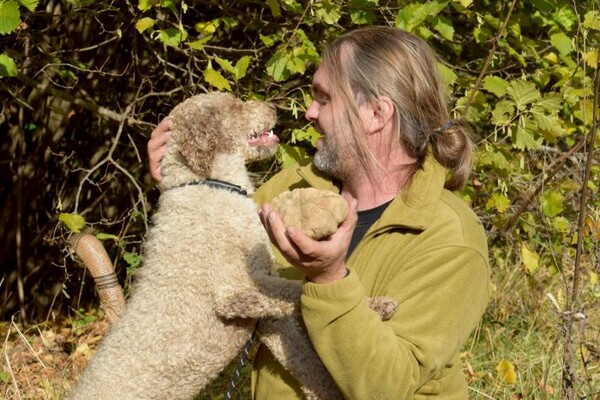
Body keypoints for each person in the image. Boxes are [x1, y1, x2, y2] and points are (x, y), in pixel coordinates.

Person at [148, 26, 489, 399]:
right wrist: (188, 183)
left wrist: (329, 279)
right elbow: (202, 276)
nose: (309, 113)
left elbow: (389, 385)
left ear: (376, 113)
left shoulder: (448, 238)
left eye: (324, 99)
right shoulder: (289, 189)